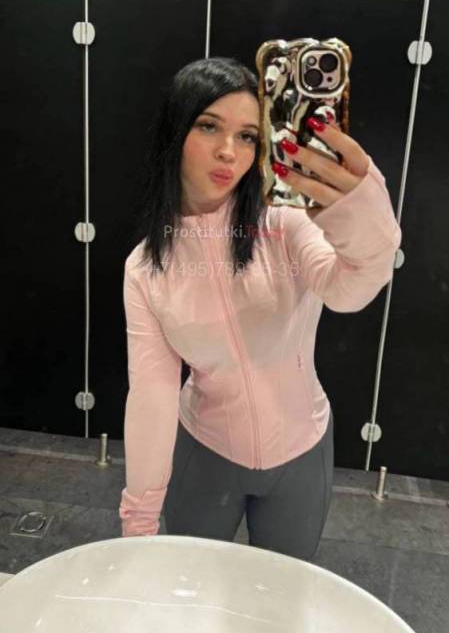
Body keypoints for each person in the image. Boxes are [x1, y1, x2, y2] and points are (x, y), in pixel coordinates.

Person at [119, 56, 401, 560]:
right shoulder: (145, 268)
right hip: (204, 452)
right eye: (209, 126)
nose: (229, 151)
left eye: (248, 136)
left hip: (302, 452)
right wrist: (138, 521)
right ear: (174, 132)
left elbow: (349, 290)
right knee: (193, 587)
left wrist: (365, 214)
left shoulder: (283, 224)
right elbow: (152, 397)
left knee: (282, 593)